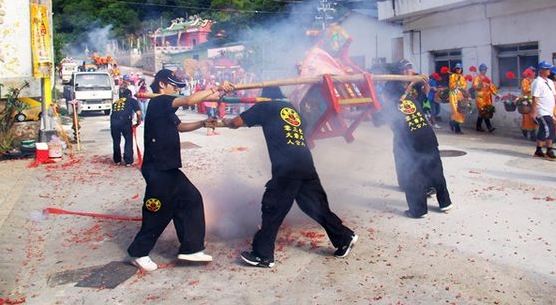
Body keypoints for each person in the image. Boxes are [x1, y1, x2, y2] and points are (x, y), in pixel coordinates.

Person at [222, 87, 357, 268]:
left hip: (287, 168)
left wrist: (225, 120)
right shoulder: (293, 110)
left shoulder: (264, 107)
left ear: (264, 98)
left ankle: (263, 255)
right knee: (314, 206)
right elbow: (306, 133)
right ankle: (344, 237)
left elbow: (237, 122)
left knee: (272, 209)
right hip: (305, 163)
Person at [127, 69, 234, 272]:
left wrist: (203, 122)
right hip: (158, 169)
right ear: (161, 85)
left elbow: (181, 127)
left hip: (168, 168)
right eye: (174, 86)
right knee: (157, 213)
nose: (177, 89)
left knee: (191, 199)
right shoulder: (159, 101)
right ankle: (137, 252)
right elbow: (189, 100)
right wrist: (217, 88)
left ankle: (191, 248)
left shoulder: (164, 109)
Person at [381, 72, 452, 218]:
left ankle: (418, 210)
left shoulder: (388, 108)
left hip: (411, 144)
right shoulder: (411, 99)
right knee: (436, 171)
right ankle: (445, 203)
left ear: (388, 94)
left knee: (413, 175)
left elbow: (375, 119)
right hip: (428, 138)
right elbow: (418, 92)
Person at [531, 61, 556, 160]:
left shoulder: (550, 82)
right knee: (549, 129)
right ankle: (549, 150)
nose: (549, 71)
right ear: (541, 70)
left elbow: (554, 96)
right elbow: (535, 98)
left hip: (549, 111)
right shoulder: (537, 82)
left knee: (545, 129)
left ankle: (539, 150)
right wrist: (534, 113)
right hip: (542, 111)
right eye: (547, 69)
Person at [110, 88, 142, 166]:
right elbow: (138, 113)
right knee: (128, 140)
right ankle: (128, 161)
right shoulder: (132, 100)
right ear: (130, 95)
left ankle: (117, 160)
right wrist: (138, 122)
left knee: (116, 141)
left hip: (114, 122)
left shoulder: (116, 102)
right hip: (125, 122)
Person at [472, 64, 499, 132]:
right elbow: (475, 87)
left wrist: (496, 94)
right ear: (481, 70)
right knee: (484, 111)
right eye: (484, 69)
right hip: (480, 97)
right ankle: (489, 127)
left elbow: (491, 87)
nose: (485, 71)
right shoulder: (477, 78)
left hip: (487, 98)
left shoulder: (486, 78)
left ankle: (478, 126)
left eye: (485, 70)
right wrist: (480, 84)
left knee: (483, 112)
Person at [448, 63, 468, 134]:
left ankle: (452, 122)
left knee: (460, 111)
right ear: (455, 69)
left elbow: (464, 87)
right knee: (456, 111)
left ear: (461, 69)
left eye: (459, 68)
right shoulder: (452, 76)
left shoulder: (462, 77)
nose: (458, 70)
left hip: (460, 96)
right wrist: (456, 81)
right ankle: (457, 129)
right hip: (453, 95)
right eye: (457, 68)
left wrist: (466, 95)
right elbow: (451, 86)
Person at [520, 67, 537, 141]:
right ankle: (525, 130)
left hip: (534, 100)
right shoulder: (525, 80)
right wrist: (532, 87)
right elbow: (525, 89)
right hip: (526, 101)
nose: (534, 73)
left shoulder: (536, 80)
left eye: (534, 72)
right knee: (527, 118)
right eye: (532, 72)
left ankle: (533, 134)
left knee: (534, 117)